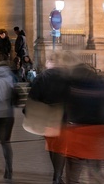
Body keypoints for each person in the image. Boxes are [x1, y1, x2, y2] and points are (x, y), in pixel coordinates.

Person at [61, 60, 104, 183]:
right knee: (95, 169)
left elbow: (64, 108)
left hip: (77, 131)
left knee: (73, 173)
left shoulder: (71, 86)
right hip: (97, 131)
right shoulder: (100, 85)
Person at [27, 52, 70, 184]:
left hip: (46, 116)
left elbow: (33, 96)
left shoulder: (42, 77)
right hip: (63, 115)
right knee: (61, 147)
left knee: (52, 145)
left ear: (49, 62)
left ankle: (57, 176)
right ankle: (57, 177)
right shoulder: (68, 77)